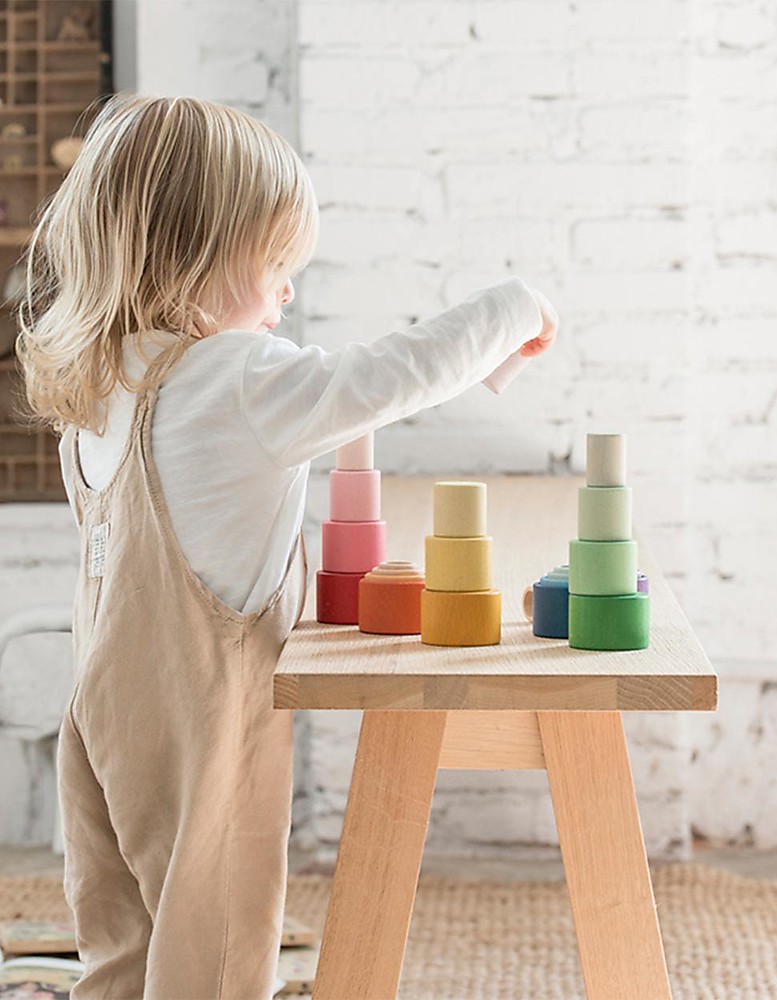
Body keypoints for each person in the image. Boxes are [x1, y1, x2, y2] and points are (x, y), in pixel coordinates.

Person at [15, 93, 558, 999]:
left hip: (101, 709)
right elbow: (390, 375)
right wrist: (515, 307)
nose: (288, 287)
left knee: (123, 945)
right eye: (272, 261)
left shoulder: (105, 383)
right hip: (203, 717)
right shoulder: (236, 379)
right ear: (194, 256)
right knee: (219, 953)